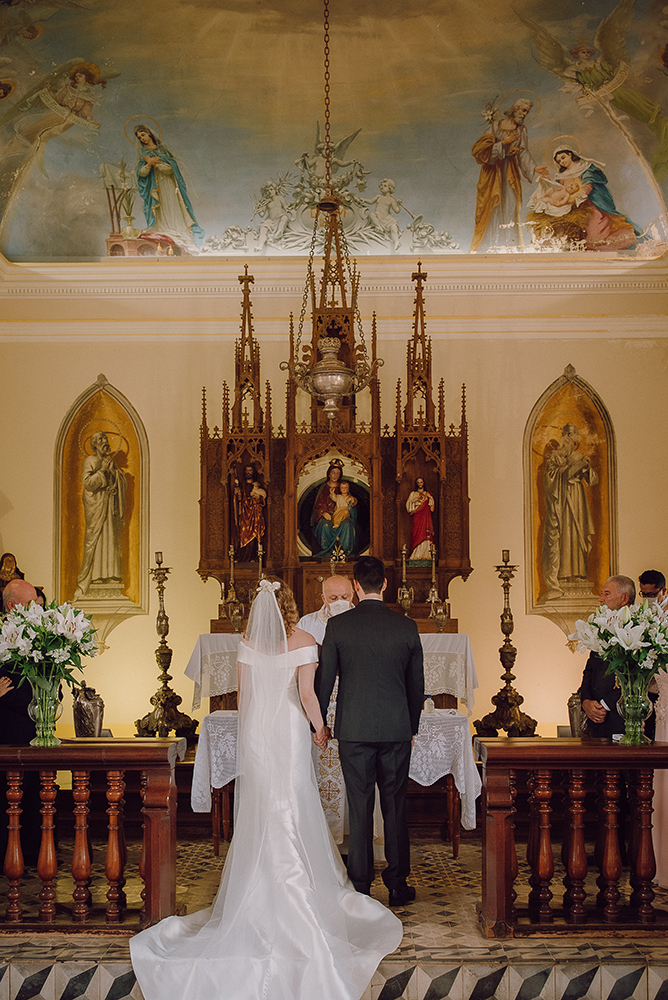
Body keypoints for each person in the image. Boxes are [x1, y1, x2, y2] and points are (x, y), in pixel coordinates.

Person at [130, 576, 401, 1000]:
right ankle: (301, 889)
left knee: (262, 806)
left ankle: (256, 889)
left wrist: (254, 731)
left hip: (258, 731)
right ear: (292, 606)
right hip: (291, 729)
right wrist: (320, 729)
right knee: (291, 802)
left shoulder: (247, 643)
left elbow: (246, 698)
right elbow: (309, 696)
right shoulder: (307, 638)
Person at [317, 557, 424, 905]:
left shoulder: (338, 627)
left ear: (357, 587)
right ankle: (397, 886)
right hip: (395, 729)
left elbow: (325, 681)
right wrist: (410, 726)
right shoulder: (406, 627)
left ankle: (360, 886)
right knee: (395, 806)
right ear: (386, 585)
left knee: (359, 806)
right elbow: (416, 686)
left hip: (353, 730)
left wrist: (319, 724)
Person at [470, 98, 548, 252]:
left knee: (510, 206)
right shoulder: (494, 127)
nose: (525, 114)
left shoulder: (522, 130)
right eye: (524, 110)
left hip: (510, 173)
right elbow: (480, 151)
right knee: (492, 207)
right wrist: (503, 144)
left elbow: (523, 152)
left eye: (527, 112)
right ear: (516, 109)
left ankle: (510, 247)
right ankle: (488, 247)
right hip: (493, 173)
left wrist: (533, 168)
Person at [528, 148, 641, 252]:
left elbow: (587, 187)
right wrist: (547, 182)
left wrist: (574, 199)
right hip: (568, 206)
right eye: (559, 161)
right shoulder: (561, 175)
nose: (562, 162)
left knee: (595, 233)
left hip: (588, 204)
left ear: (570, 154)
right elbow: (558, 189)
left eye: (563, 158)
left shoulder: (586, 168)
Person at [0, 578, 40, 865]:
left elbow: (49, 687)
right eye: (30, 604)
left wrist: (10, 696)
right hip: (4, 732)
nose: (36, 610)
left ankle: (32, 855)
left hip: (32, 732)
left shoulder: (41, 637)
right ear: (13, 606)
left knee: (33, 799)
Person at [542, 423, 598, 601]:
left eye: (572, 437)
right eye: (566, 436)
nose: (568, 440)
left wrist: (586, 467)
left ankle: (580, 574)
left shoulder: (580, 456)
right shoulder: (556, 456)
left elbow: (593, 480)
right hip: (562, 502)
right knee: (565, 535)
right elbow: (549, 478)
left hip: (578, 498)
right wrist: (566, 471)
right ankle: (564, 574)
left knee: (578, 533)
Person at [580, 575, 636, 737]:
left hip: (621, 719)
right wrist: (586, 701)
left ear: (624, 598)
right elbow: (590, 670)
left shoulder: (637, 628)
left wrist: (605, 705)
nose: (600, 599)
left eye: (606, 593)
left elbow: (634, 676)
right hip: (595, 721)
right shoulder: (601, 626)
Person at [134, 124, 204, 255]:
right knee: (160, 208)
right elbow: (142, 174)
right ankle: (162, 228)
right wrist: (149, 164)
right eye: (139, 138)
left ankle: (175, 228)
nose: (142, 139)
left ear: (149, 134)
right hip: (155, 188)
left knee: (172, 206)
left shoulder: (162, 150)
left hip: (169, 185)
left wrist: (161, 165)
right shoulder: (143, 155)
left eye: (143, 135)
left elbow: (172, 166)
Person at [74, 431, 126, 600]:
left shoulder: (111, 462)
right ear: (94, 444)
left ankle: (110, 575)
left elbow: (119, 482)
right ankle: (94, 577)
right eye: (101, 439)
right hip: (96, 509)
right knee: (96, 540)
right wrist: (102, 471)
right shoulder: (90, 461)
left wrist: (114, 476)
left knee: (110, 539)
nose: (105, 442)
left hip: (110, 509)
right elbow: (87, 484)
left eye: (105, 438)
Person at [312, 461, 357, 560]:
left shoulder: (343, 488)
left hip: (342, 515)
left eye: (338, 473)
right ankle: (326, 551)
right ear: (329, 473)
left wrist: (352, 502)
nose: (335, 475)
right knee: (325, 525)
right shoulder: (323, 487)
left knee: (347, 524)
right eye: (333, 472)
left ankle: (344, 552)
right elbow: (317, 505)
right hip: (327, 515)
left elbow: (350, 503)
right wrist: (323, 513)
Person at [298, 574, 355, 646]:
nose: (339, 602)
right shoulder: (306, 623)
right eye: (334, 598)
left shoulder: (362, 620)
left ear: (352, 594)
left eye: (345, 597)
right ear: (323, 598)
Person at [233, 463, 266, 562]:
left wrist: (258, 498)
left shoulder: (257, 485)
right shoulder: (242, 486)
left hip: (255, 514)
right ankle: (243, 557)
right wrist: (237, 495)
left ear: (253, 472)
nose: (248, 473)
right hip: (244, 514)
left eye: (250, 470)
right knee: (243, 535)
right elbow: (238, 501)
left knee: (255, 534)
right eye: (247, 471)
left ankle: (253, 558)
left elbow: (262, 499)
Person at [405, 477, 435, 560]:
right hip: (417, 516)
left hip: (425, 516)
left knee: (425, 533)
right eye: (418, 482)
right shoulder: (413, 494)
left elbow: (431, 506)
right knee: (417, 533)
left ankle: (426, 554)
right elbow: (408, 506)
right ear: (416, 484)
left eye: (421, 482)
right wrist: (414, 501)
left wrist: (430, 498)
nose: (420, 484)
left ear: (423, 483)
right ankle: (416, 554)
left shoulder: (427, 494)